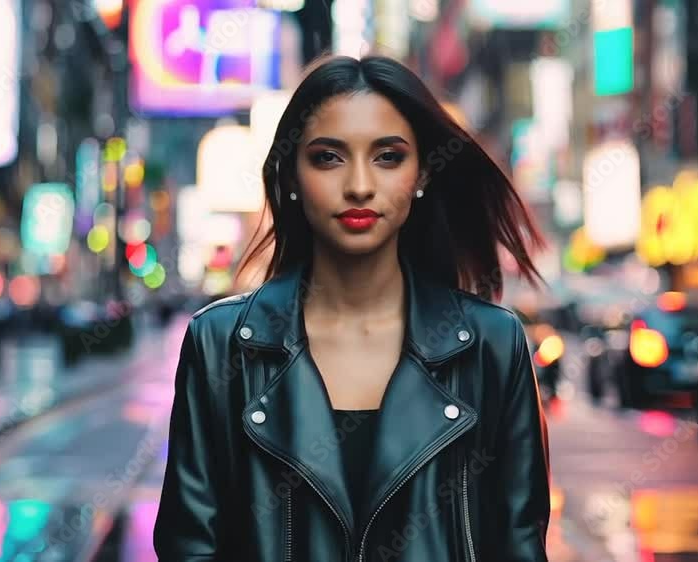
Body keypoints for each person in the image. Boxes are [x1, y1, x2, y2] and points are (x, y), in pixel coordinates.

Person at [154, 55, 550, 561]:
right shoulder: (221, 345)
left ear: (422, 172)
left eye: (388, 157)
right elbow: (189, 545)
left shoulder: (493, 345)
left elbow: (519, 544)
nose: (360, 184)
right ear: (291, 174)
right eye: (328, 157)